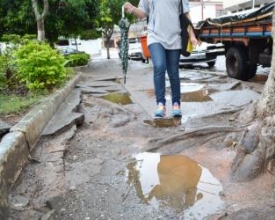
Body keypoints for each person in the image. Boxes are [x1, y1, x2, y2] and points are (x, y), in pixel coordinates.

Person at [124, 0, 197, 118]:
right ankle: (161, 104)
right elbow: (143, 13)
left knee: (173, 72)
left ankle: (176, 104)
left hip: (174, 37)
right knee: (159, 66)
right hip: (155, 36)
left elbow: (186, 14)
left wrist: (192, 35)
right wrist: (133, 9)